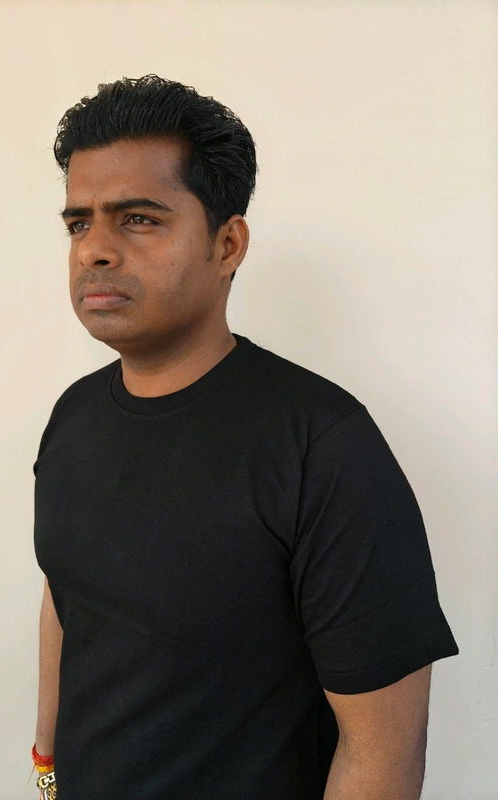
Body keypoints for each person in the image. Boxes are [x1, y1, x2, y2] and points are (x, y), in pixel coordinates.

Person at [30, 74, 459, 800]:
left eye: (138, 219)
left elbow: (382, 753)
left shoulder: (322, 447)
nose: (94, 250)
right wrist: (46, 766)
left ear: (227, 244)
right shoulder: (74, 416)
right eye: (79, 224)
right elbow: (69, 592)